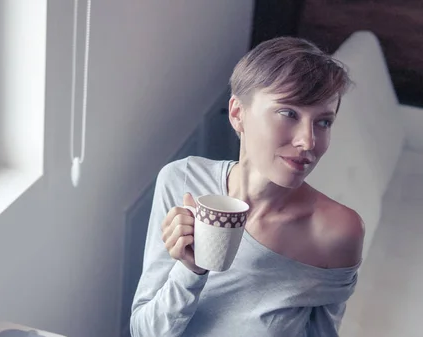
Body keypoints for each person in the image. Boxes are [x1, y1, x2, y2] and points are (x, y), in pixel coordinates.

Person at [130, 36, 365, 337]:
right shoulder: (183, 180)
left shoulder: (336, 231)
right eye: (289, 113)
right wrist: (190, 270)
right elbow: (144, 331)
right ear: (238, 114)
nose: (308, 142)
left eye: (323, 122)